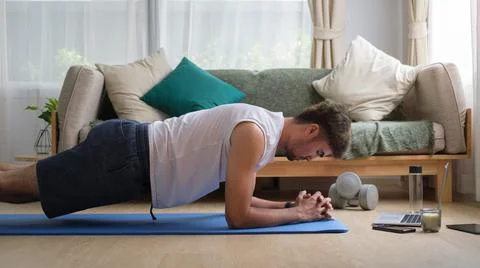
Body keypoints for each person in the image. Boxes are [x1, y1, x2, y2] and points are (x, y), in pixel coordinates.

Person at [0, 101, 351, 229]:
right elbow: (238, 216)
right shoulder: (255, 133)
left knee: (21, 180)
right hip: (126, 160)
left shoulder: (263, 129)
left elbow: (241, 197)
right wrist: (299, 215)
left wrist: (291, 204)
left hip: (127, 154)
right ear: (311, 129)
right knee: (20, 190)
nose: (311, 160)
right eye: (319, 152)